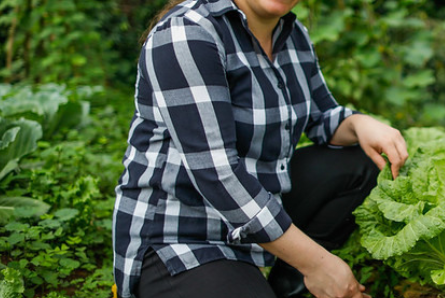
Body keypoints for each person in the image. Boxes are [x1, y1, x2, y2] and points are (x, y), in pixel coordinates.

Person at [112, 0, 409, 297]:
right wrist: (319, 264)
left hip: (255, 211)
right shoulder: (188, 32)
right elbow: (217, 175)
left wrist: (360, 123)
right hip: (182, 237)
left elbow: (321, 116)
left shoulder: (293, 34)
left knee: (361, 162)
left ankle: (285, 282)